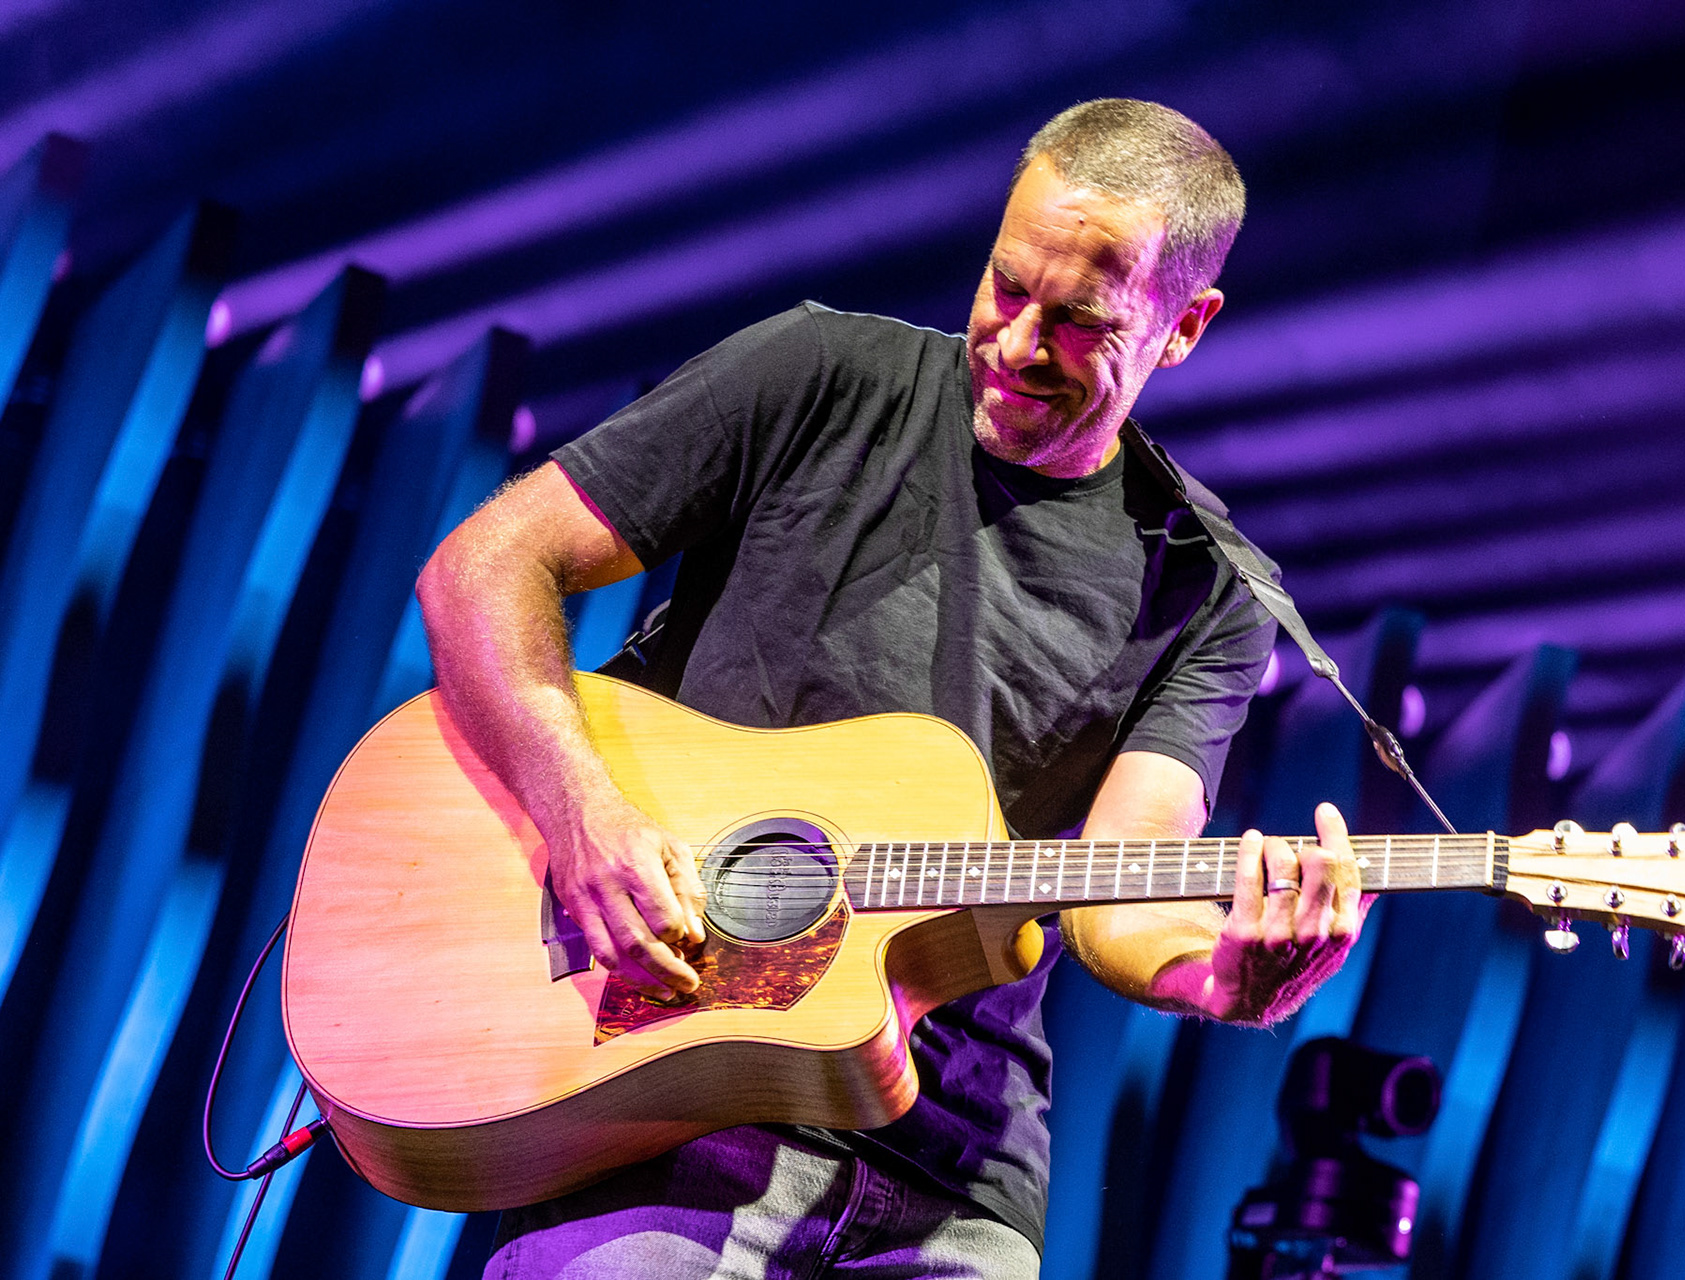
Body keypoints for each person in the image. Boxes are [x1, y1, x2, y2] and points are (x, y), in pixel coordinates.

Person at [417, 99, 1365, 1280]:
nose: (1017, 344)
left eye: (1080, 322)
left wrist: (1223, 977)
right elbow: (485, 566)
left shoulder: (1210, 590)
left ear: (1184, 327)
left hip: (956, 1179)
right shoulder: (818, 375)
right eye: (1007, 285)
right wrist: (579, 811)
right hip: (676, 1099)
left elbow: (1119, 889)